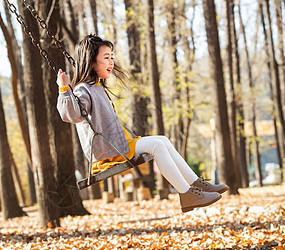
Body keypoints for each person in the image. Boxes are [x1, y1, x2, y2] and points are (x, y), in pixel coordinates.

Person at [56, 34, 229, 213]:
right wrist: (63, 89)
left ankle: (195, 184)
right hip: (107, 152)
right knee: (156, 145)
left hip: (117, 146)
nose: (111, 62)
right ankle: (187, 194)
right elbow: (72, 115)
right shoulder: (83, 88)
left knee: (163, 140)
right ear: (92, 62)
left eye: (112, 57)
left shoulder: (96, 86)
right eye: (106, 58)